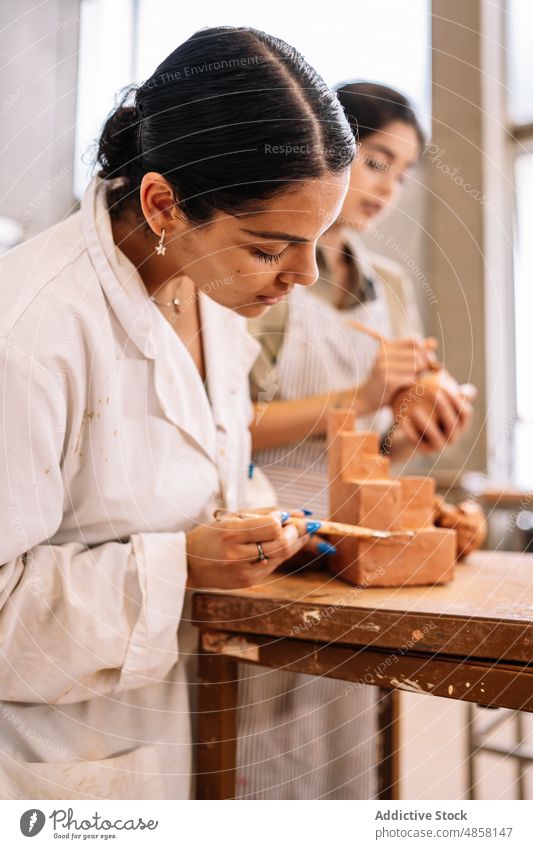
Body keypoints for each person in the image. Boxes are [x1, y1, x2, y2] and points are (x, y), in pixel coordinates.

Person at [0, 26, 356, 800]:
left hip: (157, 734)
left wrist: (281, 531)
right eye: (270, 247)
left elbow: (207, 468)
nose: (301, 275)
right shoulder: (28, 327)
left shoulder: (210, 292)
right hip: (41, 763)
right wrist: (179, 567)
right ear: (163, 201)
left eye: (315, 243)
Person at [236, 83, 473, 800]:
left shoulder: (390, 285)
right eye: (375, 161)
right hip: (267, 536)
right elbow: (226, 425)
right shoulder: (261, 266)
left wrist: (408, 428)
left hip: (357, 547)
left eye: (401, 174)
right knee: (262, 748)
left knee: (349, 750)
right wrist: (360, 396)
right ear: (326, 154)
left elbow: (375, 442)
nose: (387, 188)